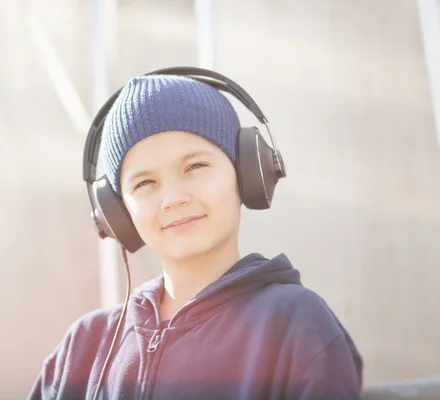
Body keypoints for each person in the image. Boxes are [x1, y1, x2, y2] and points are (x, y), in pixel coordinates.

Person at [27, 71, 363, 400]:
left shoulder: (295, 324)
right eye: (144, 183)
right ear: (116, 211)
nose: (173, 198)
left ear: (247, 172)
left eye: (195, 167)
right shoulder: (84, 347)